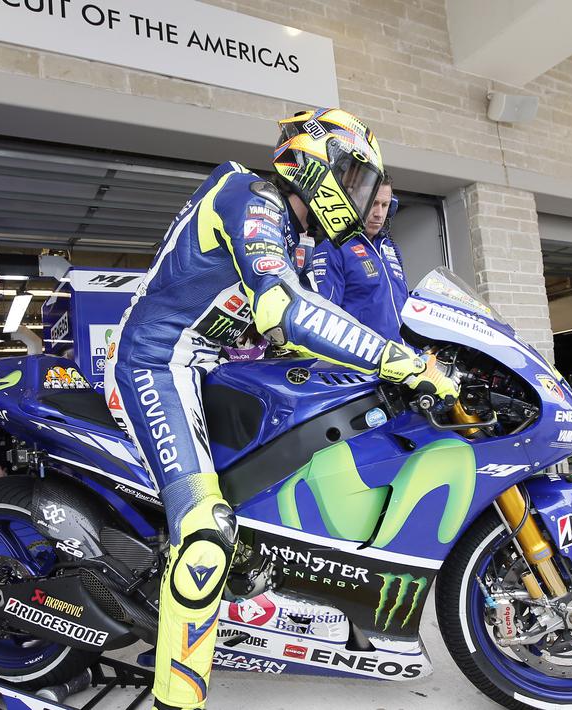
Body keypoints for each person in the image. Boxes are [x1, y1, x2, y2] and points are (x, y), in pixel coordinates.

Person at [103, 108, 459, 710]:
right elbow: (287, 313)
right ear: (319, 165)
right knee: (205, 526)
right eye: (356, 179)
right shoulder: (250, 197)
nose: (361, 196)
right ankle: (177, 700)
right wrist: (397, 360)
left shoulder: (291, 229)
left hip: (209, 362)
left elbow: (294, 330)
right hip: (154, 363)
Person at [310, 175, 409, 341]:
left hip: (404, 359)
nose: (379, 214)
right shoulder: (334, 248)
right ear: (353, 202)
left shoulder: (390, 248)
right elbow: (325, 316)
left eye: (385, 205)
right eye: (373, 204)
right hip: (363, 363)